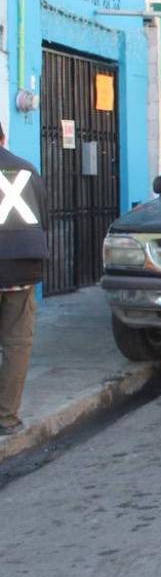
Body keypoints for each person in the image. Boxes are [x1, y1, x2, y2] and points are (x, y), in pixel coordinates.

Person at [0, 120, 50, 436]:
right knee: (17, 345)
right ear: (3, 136)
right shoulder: (28, 169)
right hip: (21, 268)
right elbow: (44, 217)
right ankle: (6, 418)